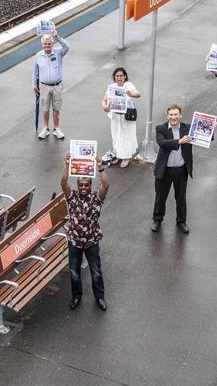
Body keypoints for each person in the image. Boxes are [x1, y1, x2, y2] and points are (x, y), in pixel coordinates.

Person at [152, 105, 215, 235]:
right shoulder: (161, 129)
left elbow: (204, 137)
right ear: (167, 116)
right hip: (165, 170)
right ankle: (157, 219)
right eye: (171, 115)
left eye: (176, 114)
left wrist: (211, 130)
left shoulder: (188, 128)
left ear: (180, 116)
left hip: (181, 169)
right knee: (160, 197)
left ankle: (181, 221)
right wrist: (180, 141)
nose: (173, 117)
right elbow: (163, 143)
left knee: (181, 197)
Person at [60, 153, 109, 311]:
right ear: (77, 185)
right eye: (80, 185)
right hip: (74, 241)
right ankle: (76, 296)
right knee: (74, 271)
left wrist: (100, 167)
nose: (83, 188)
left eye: (86, 185)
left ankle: (99, 297)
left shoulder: (96, 198)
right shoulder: (71, 197)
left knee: (96, 270)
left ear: (90, 186)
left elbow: (106, 185)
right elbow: (63, 182)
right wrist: (67, 164)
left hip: (91, 241)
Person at [32, 30, 70, 139]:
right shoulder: (38, 56)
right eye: (45, 44)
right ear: (42, 44)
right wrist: (34, 85)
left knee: (56, 107)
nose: (47, 46)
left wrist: (57, 36)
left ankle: (56, 129)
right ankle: (45, 129)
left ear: (53, 44)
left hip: (57, 85)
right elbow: (35, 72)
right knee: (45, 108)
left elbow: (67, 47)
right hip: (44, 86)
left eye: (49, 43)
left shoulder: (58, 52)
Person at [101, 67, 141, 167]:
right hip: (115, 116)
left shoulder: (128, 85)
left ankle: (126, 157)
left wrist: (132, 93)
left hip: (126, 116)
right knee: (116, 135)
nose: (119, 77)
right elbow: (103, 100)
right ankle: (119, 155)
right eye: (117, 76)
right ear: (114, 77)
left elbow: (138, 93)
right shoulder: (112, 87)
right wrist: (104, 106)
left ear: (125, 76)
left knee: (126, 135)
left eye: (121, 76)